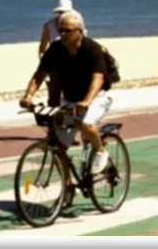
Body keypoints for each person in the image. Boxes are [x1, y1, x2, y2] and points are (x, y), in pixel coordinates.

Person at [19, 10, 114, 186]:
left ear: (79, 31)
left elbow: (98, 78)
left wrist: (86, 101)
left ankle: (100, 150)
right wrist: (28, 95)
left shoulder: (91, 49)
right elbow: (40, 74)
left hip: (97, 97)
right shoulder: (56, 49)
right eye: (60, 30)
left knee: (84, 123)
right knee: (57, 147)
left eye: (67, 31)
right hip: (70, 99)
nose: (62, 34)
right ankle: (68, 186)